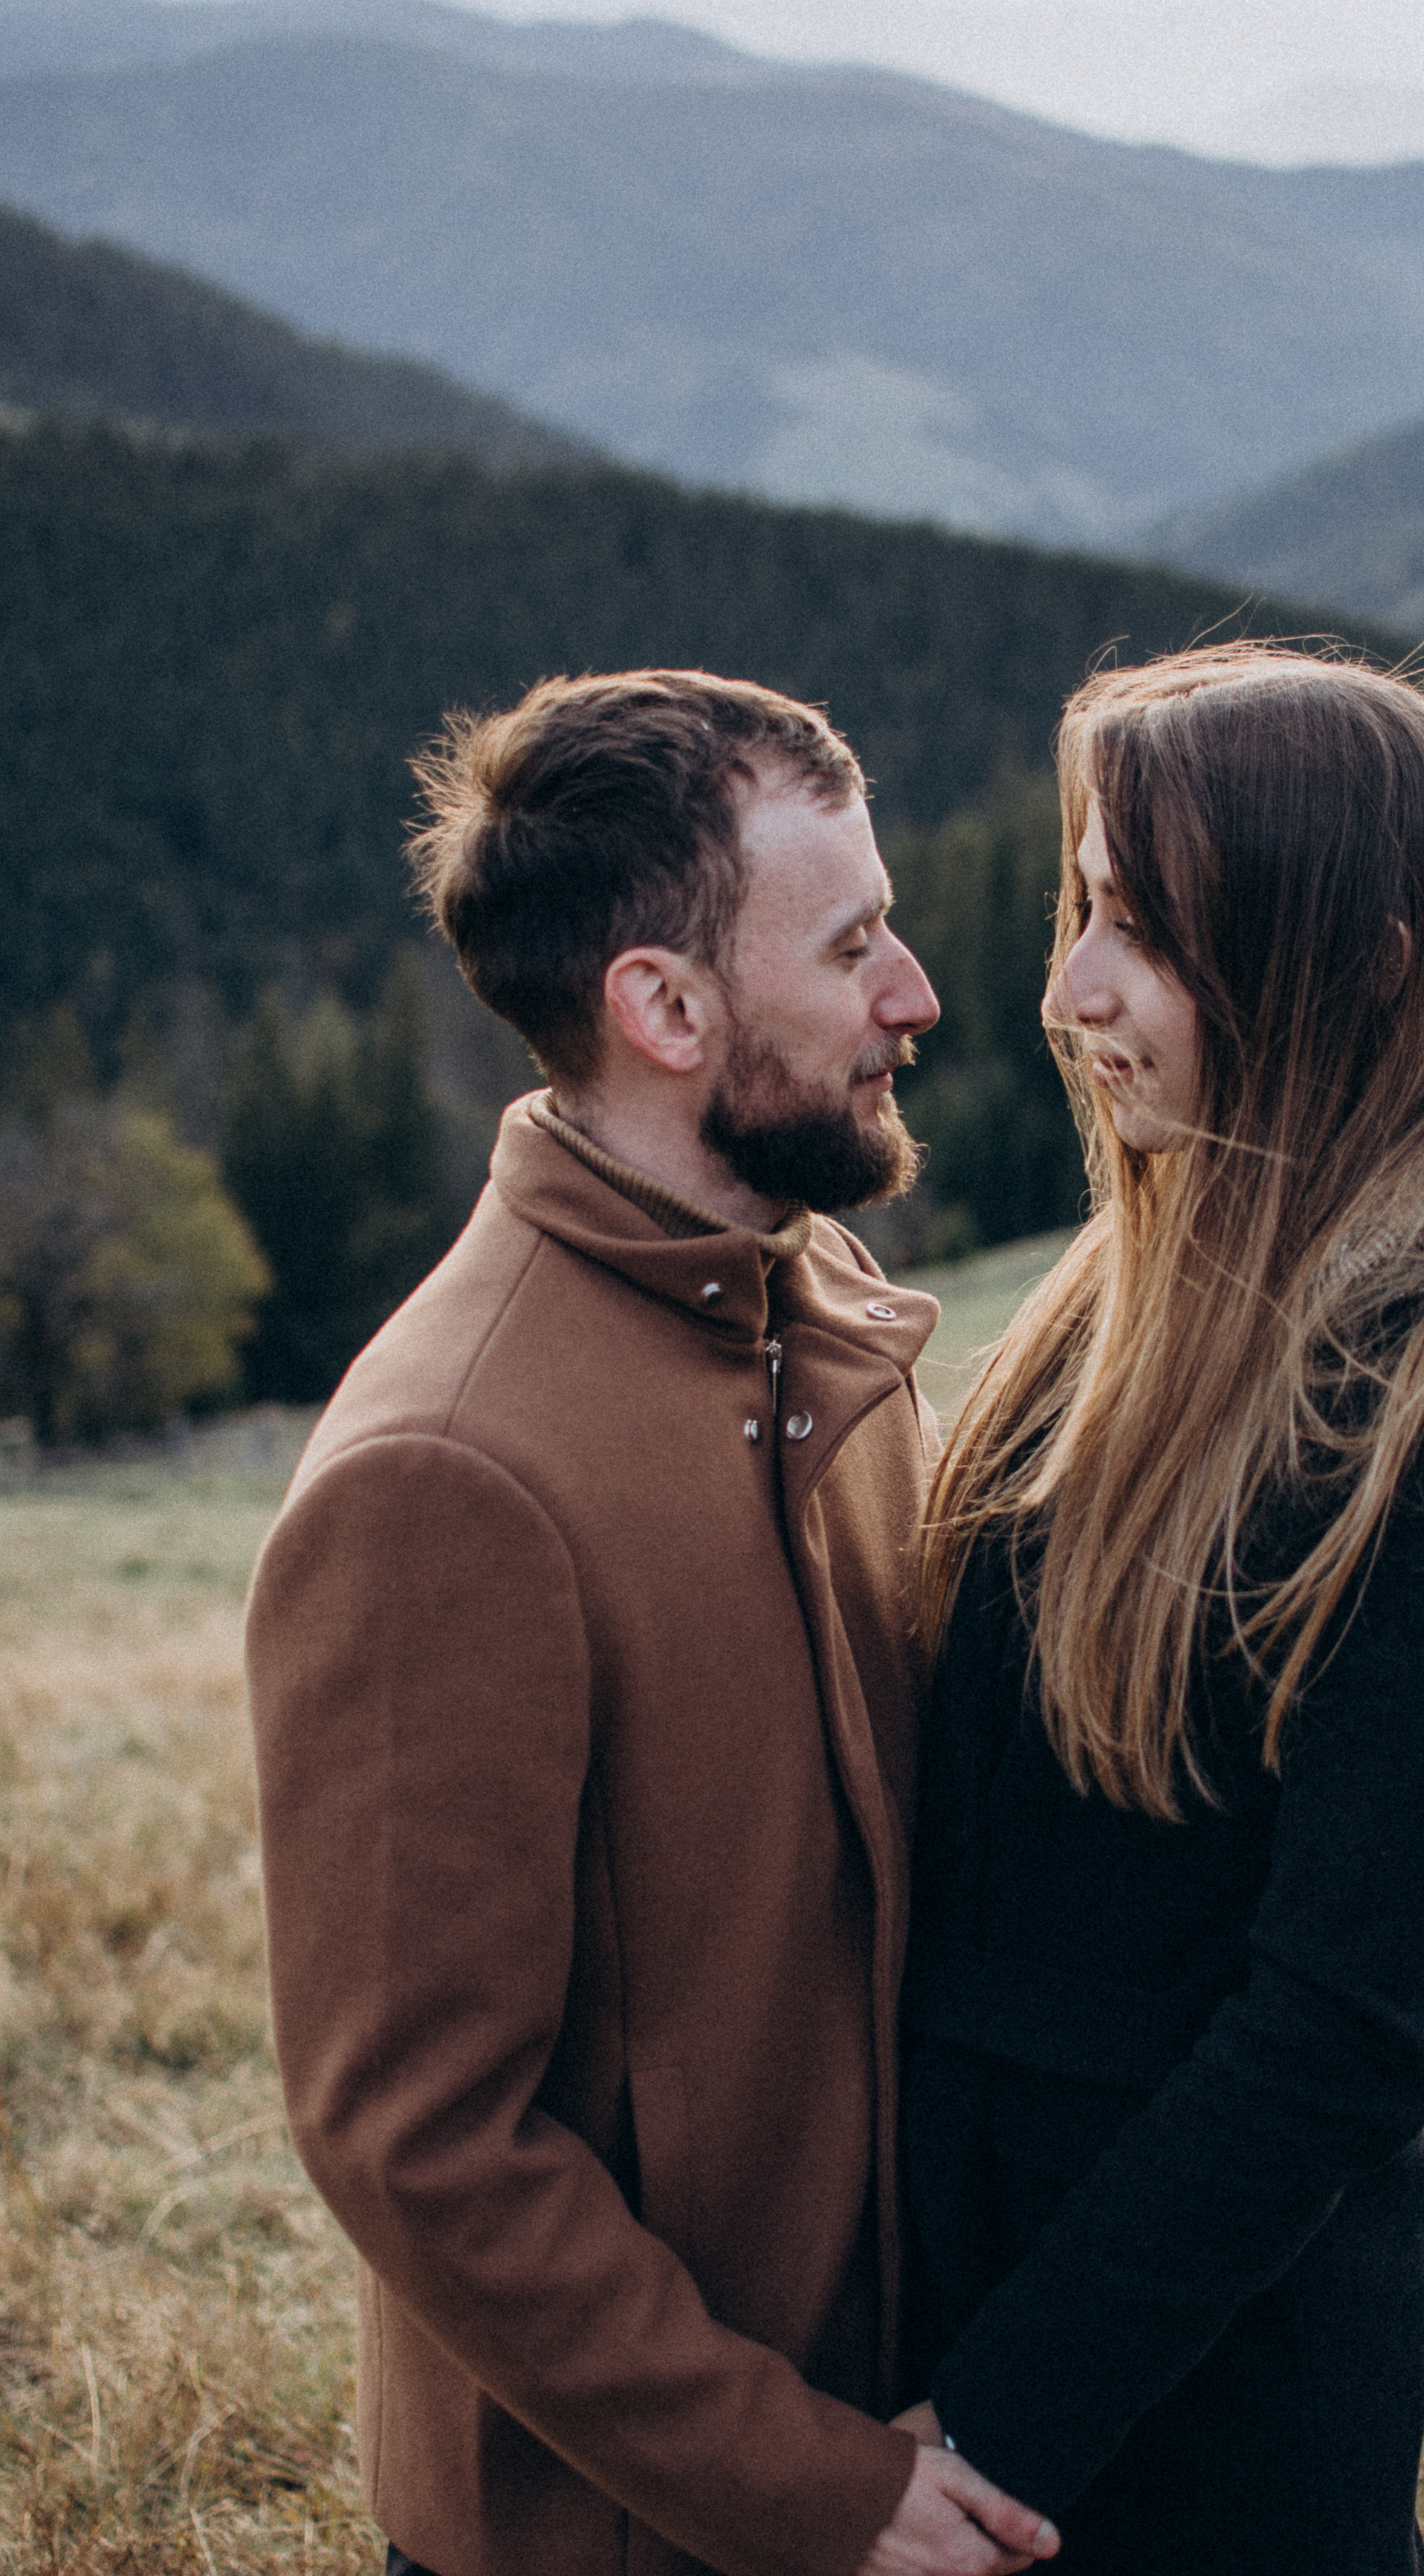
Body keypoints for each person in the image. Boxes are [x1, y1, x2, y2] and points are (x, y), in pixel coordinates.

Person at [244, 669, 1058, 2576]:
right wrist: (804, 2488)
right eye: (854, 942)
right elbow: (417, 2144)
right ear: (666, 1008)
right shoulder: (442, 1474)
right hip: (617, 2534)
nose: (918, 993)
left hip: (896, 2444)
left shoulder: (818, 1303)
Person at [894, 645, 1424, 2574]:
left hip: (1193, 2411)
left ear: (1362, 960)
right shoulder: (1150, 1265)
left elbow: (1330, 2034)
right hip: (958, 2278)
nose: (1071, 983)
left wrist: (990, 2432)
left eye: (1142, 933)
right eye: (1080, 905)